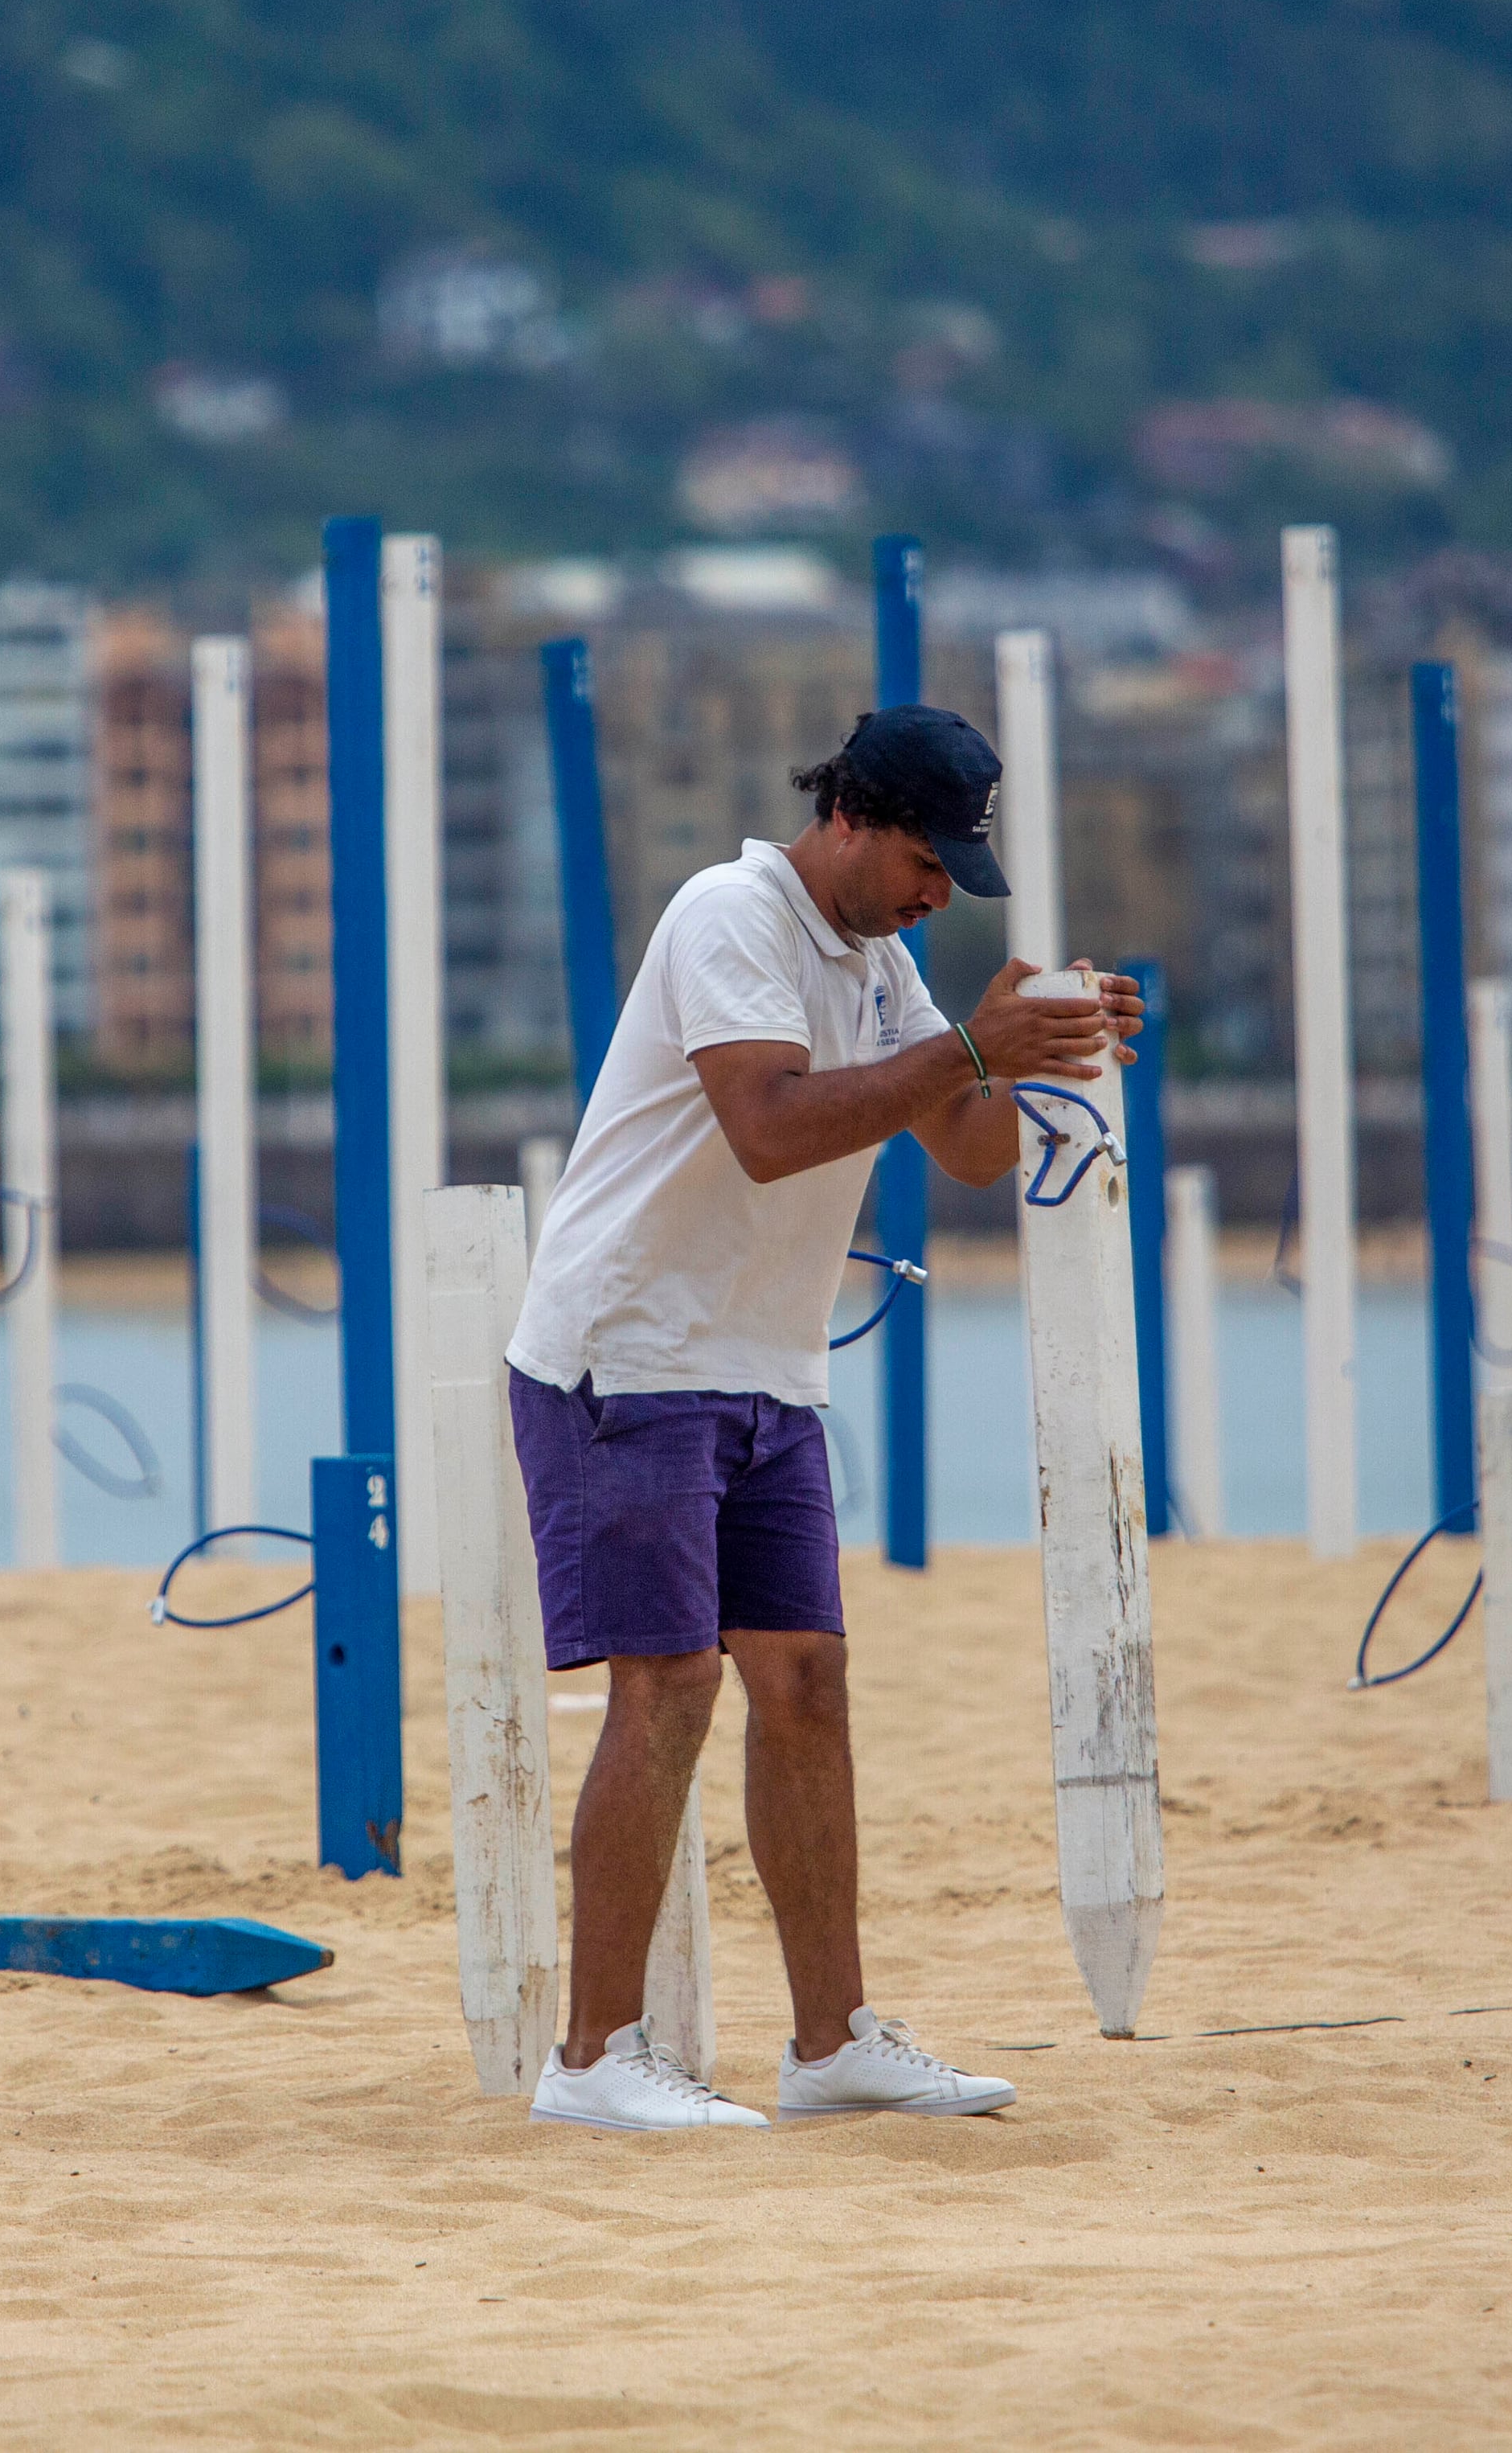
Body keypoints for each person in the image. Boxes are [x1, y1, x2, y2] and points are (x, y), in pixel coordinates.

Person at [505, 700, 1142, 2130]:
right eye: (926, 861)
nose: (936, 895)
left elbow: (968, 1154)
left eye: (954, 878)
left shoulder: (882, 958)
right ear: (849, 815)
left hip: (765, 1368)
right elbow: (773, 1123)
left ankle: (830, 2038)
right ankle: (594, 2058)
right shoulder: (729, 912)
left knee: (804, 1685)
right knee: (666, 1684)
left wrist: (1049, 1050)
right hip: (626, 1351)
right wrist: (968, 1047)